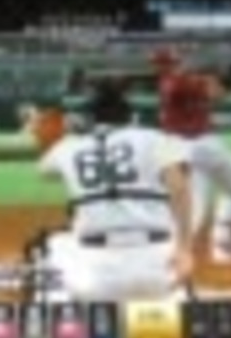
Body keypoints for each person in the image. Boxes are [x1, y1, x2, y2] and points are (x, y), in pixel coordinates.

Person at [37, 81, 195, 302]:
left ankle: (56, 312)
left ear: (91, 119)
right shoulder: (159, 138)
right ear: (131, 117)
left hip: (95, 277)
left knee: (53, 243)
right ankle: (180, 298)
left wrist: (49, 139)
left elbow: (45, 171)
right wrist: (185, 249)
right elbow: (180, 188)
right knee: (174, 283)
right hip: (158, 271)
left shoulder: (68, 147)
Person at [152, 48, 231, 264]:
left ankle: (216, 246)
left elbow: (218, 94)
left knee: (228, 193)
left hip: (192, 144)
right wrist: (214, 76)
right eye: (173, 63)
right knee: (206, 202)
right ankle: (177, 252)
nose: (176, 65)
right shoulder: (174, 82)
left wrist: (211, 76)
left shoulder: (176, 79)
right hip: (193, 145)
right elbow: (217, 93)